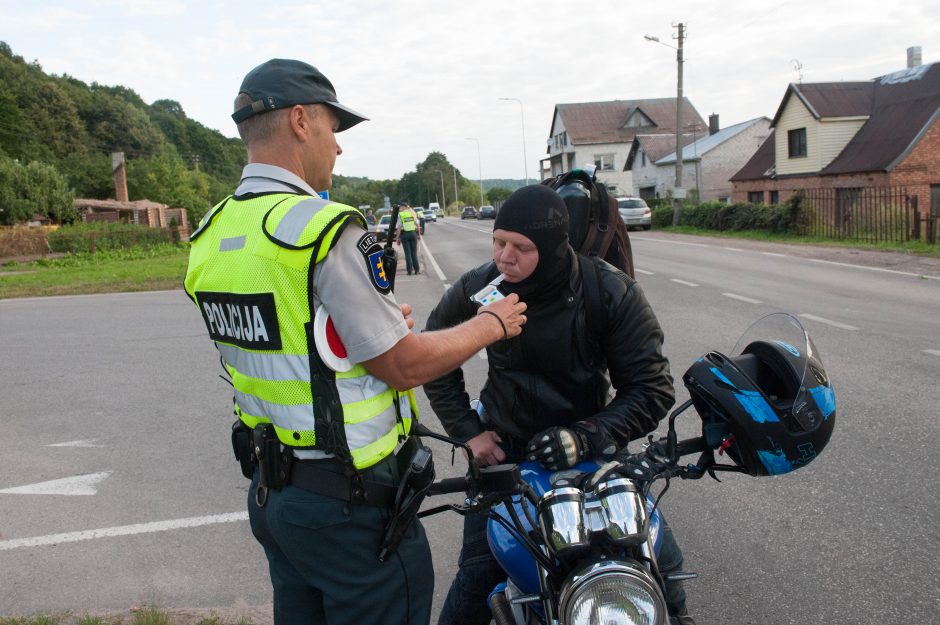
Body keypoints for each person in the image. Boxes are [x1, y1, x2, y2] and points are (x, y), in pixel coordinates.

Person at [183, 58, 527, 625]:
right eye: (332, 129)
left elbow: (288, 342)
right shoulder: (325, 228)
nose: (338, 149)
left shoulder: (213, 231)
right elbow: (403, 365)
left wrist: (359, 333)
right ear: (299, 121)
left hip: (277, 498)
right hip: (349, 511)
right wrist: (490, 325)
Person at [423, 185, 694, 625]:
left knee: (663, 572)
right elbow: (432, 357)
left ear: (552, 248)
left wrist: (584, 436)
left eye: (520, 247)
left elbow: (652, 388)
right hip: (505, 461)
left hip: (597, 457)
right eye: (498, 241)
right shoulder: (479, 287)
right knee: (475, 582)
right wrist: (469, 433)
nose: (504, 257)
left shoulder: (609, 290)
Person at [395, 201, 422, 275]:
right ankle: (417, 270)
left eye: (400, 207)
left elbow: (399, 228)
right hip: (413, 234)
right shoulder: (412, 213)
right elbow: (418, 225)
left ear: (403, 207)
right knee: (414, 253)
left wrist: (397, 238)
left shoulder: (401, 215)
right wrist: (419, 235)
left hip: (405, 235)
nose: (399, 209)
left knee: (408, 254)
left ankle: (409, 271)